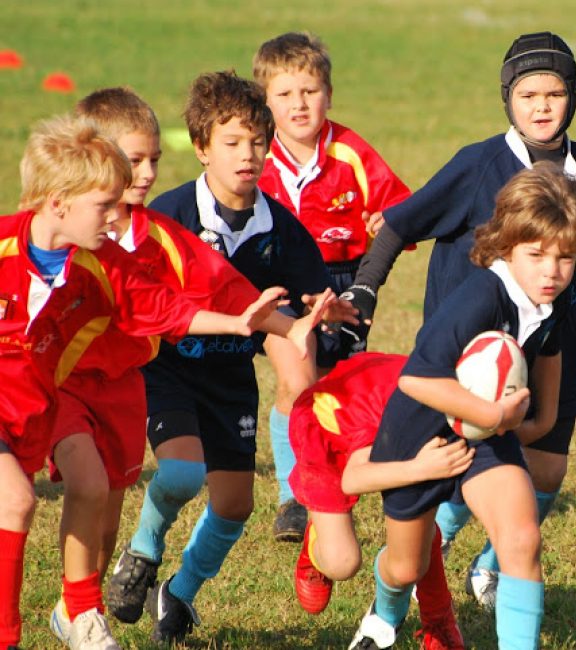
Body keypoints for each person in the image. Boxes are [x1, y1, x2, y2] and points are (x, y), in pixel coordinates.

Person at [343, 31, 576, 608]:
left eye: (554, 93)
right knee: (453, 463)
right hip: (469, 357)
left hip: (554, 341)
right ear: (507, 98)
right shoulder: (479, 165)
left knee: (549, 468)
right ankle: (430, 553)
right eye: (528, 94)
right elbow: (402, 223)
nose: (541, 106)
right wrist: (365, 287)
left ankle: (490, 565)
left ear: (573, 98)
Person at [0, 115, 306, 650]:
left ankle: (76, 611)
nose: (116, 212)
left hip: (40, 401)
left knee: (90, 499)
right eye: (103, 203)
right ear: (57, 203)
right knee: (18, 503)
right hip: (29, 398)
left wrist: (238, 322)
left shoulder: (101, 263)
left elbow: (167, 308)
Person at [105, 71, 347, 644]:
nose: (249, 155)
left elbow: (307, 300)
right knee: (184, 472)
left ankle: (180, 593)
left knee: (235, 506)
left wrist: (322, 313)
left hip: (231, 378)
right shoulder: (171, 216)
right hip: (170, 369)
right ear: (202, 147)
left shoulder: (279, 228)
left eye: (258, 142)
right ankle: (141, 552)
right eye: (233, 143)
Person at [351, 164, 576, 650]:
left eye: (566, 257)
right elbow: (417, 379)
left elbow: (550, 343)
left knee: (522, 538)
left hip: (485, 435)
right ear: (506, 246)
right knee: (407, 566)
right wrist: (493, 416)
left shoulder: (556, 293)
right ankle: (386, 611)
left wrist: (543, 418)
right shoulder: (481, 296)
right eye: (537, 255)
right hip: (417, 437)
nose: (552, 271)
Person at [253, 31, 413, 542]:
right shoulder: (256, 159)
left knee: (334, 391)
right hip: (282, 288)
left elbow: (402, 210)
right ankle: (293, 496)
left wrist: (384, 221)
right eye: (285, 94)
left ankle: (331, 480)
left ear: (329, 94)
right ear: (265, 101)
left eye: (310, 91)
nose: (299, 104)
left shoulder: (352, 153)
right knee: (296, 382)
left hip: (343, 285)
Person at [288, 351, 467, 649]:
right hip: (324, 429)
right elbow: (354, 478)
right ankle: (315, 542)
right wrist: (420, 467)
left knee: (420, 519)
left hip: (375, 413)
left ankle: (438, 621)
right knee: (342, 562)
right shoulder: (403, 412)